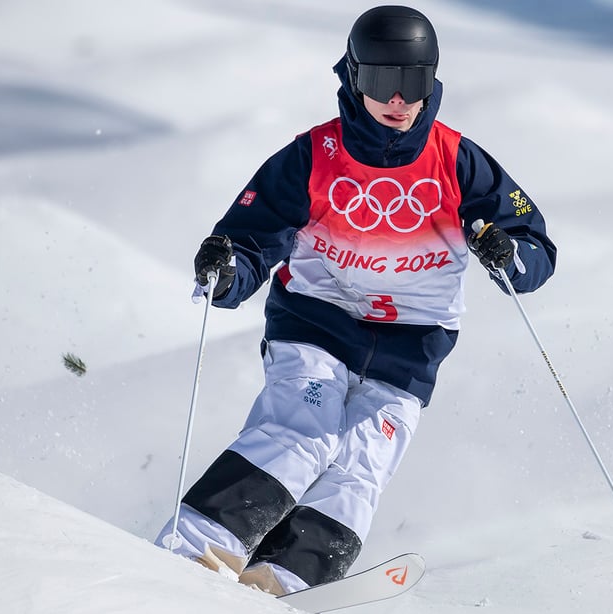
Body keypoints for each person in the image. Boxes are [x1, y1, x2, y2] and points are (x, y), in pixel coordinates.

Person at [154, 4, 557, 596]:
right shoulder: (315, 155)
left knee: (362, 462)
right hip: (318, 318)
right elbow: (251, 233)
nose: (397, 99)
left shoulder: (456, 160)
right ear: (352, 76)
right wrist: (230, 268)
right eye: (380, 81)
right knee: (302, 427)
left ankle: (287, 577)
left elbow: (532, 242)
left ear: (432, 82)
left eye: (412, 82)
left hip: (412, 343)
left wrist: (508, 253)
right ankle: (197, 544)